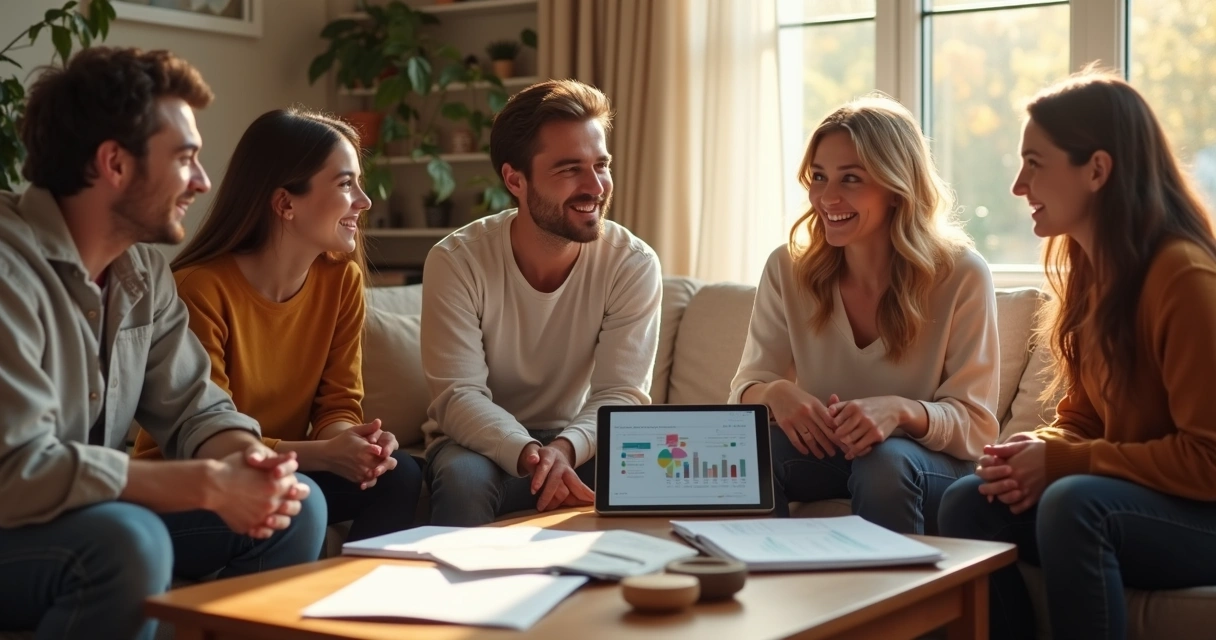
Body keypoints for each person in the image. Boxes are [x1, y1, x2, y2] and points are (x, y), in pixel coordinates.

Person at [0, 48, 324, 639]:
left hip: (80, 512)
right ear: (114, 164)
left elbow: (197, 408)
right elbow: (18, 469)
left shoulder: (143, 272)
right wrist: (206, 484)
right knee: (129, 540)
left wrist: (251, 466)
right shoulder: (8, 272)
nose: (202, 181)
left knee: (298, 505)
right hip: (13, 518)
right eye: (185, 159)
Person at [938, 70, 1216, 640]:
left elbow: (1207, 459)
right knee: (968, 500)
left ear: (1096, 169)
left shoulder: (1183, 277)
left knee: (1073, 503)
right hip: (1141, 499)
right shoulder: (1093, 273)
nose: (1018, 185)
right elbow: (1085, 421)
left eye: (1034, 163)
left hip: (1202, 513)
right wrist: (1035, 449)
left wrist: (1068, 464)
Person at [130, 108, 423, 541]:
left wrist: (353, 446)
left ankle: (363, 600)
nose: (364, 201)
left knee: (400, 475)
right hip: (195, 483)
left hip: (284, 472)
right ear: (286, 203)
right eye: (345, 184)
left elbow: (338, 404)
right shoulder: (199, 289)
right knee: (300, 496)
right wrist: (323, 455)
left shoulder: (341, 279)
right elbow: (208, 432)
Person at [729, 95, 1000, 534]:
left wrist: (901, 412)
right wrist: (774, 393)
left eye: (851, 179)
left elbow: (978, 427)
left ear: (896, 188)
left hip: (923, 464)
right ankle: (764, 585)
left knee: (884, 462)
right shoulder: (787, 267)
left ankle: (895, 603)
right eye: (819, 177)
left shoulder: (961, 274)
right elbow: (745, 387)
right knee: (748, 450)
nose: (827, 197)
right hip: (829, 454)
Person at [421, 79, 663, 526]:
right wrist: (531, 452)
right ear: (515, 180)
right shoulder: (456, 260)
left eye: (601, 164)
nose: (596, 186)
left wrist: (564, 448)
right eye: (570, 169)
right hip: (478, 441)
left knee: (655, 480)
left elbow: (620, 394)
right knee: (463, 481)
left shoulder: (632, 263)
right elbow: (458, 396)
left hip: (582, 436)